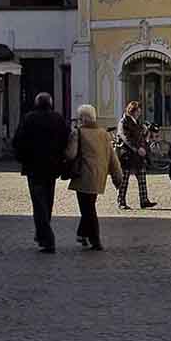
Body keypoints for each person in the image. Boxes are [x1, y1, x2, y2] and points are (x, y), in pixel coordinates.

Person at [12, 92, 71, 253]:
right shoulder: (58, 119)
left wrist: (22, 159)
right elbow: (67, 140)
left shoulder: (29, 118)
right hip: (52, 168)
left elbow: (18, 141)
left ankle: (47, 238)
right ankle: (42, 235)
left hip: (33, 167)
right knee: (47, 202)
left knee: (39, 204)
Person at [68, 103, 124, 252]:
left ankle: (95, 239)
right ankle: (83, 234)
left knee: (87, 209)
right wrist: (117, 177)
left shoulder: (78, 133)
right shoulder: (104, 133)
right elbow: (112, 158)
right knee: (89, 205)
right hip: (99, 176)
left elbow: (71, 154)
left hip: (83, 176)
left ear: (82, 118)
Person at [114, 100, 155, 210]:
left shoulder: (137, 122)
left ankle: (144, 200)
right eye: (138, 111)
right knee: (124, 180)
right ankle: (121, 201)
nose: (139, 113)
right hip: (127, 155)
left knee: (142, 178)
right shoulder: (123, 122)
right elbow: (126, 138)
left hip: (138, 155)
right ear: (132, 111)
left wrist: (146, 136)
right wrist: (137, 149)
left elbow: (140, 136)